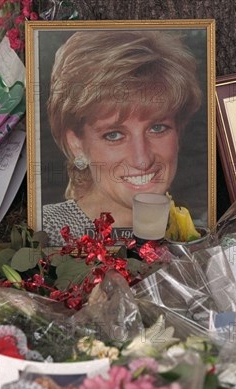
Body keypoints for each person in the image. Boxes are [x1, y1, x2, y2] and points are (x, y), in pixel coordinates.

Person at [43, 30, 202, 245]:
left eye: (157, 128)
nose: (142, 160)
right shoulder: (48, 233)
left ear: (178, 130)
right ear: (76, 144)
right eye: (114, 135)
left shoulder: (195, 230)